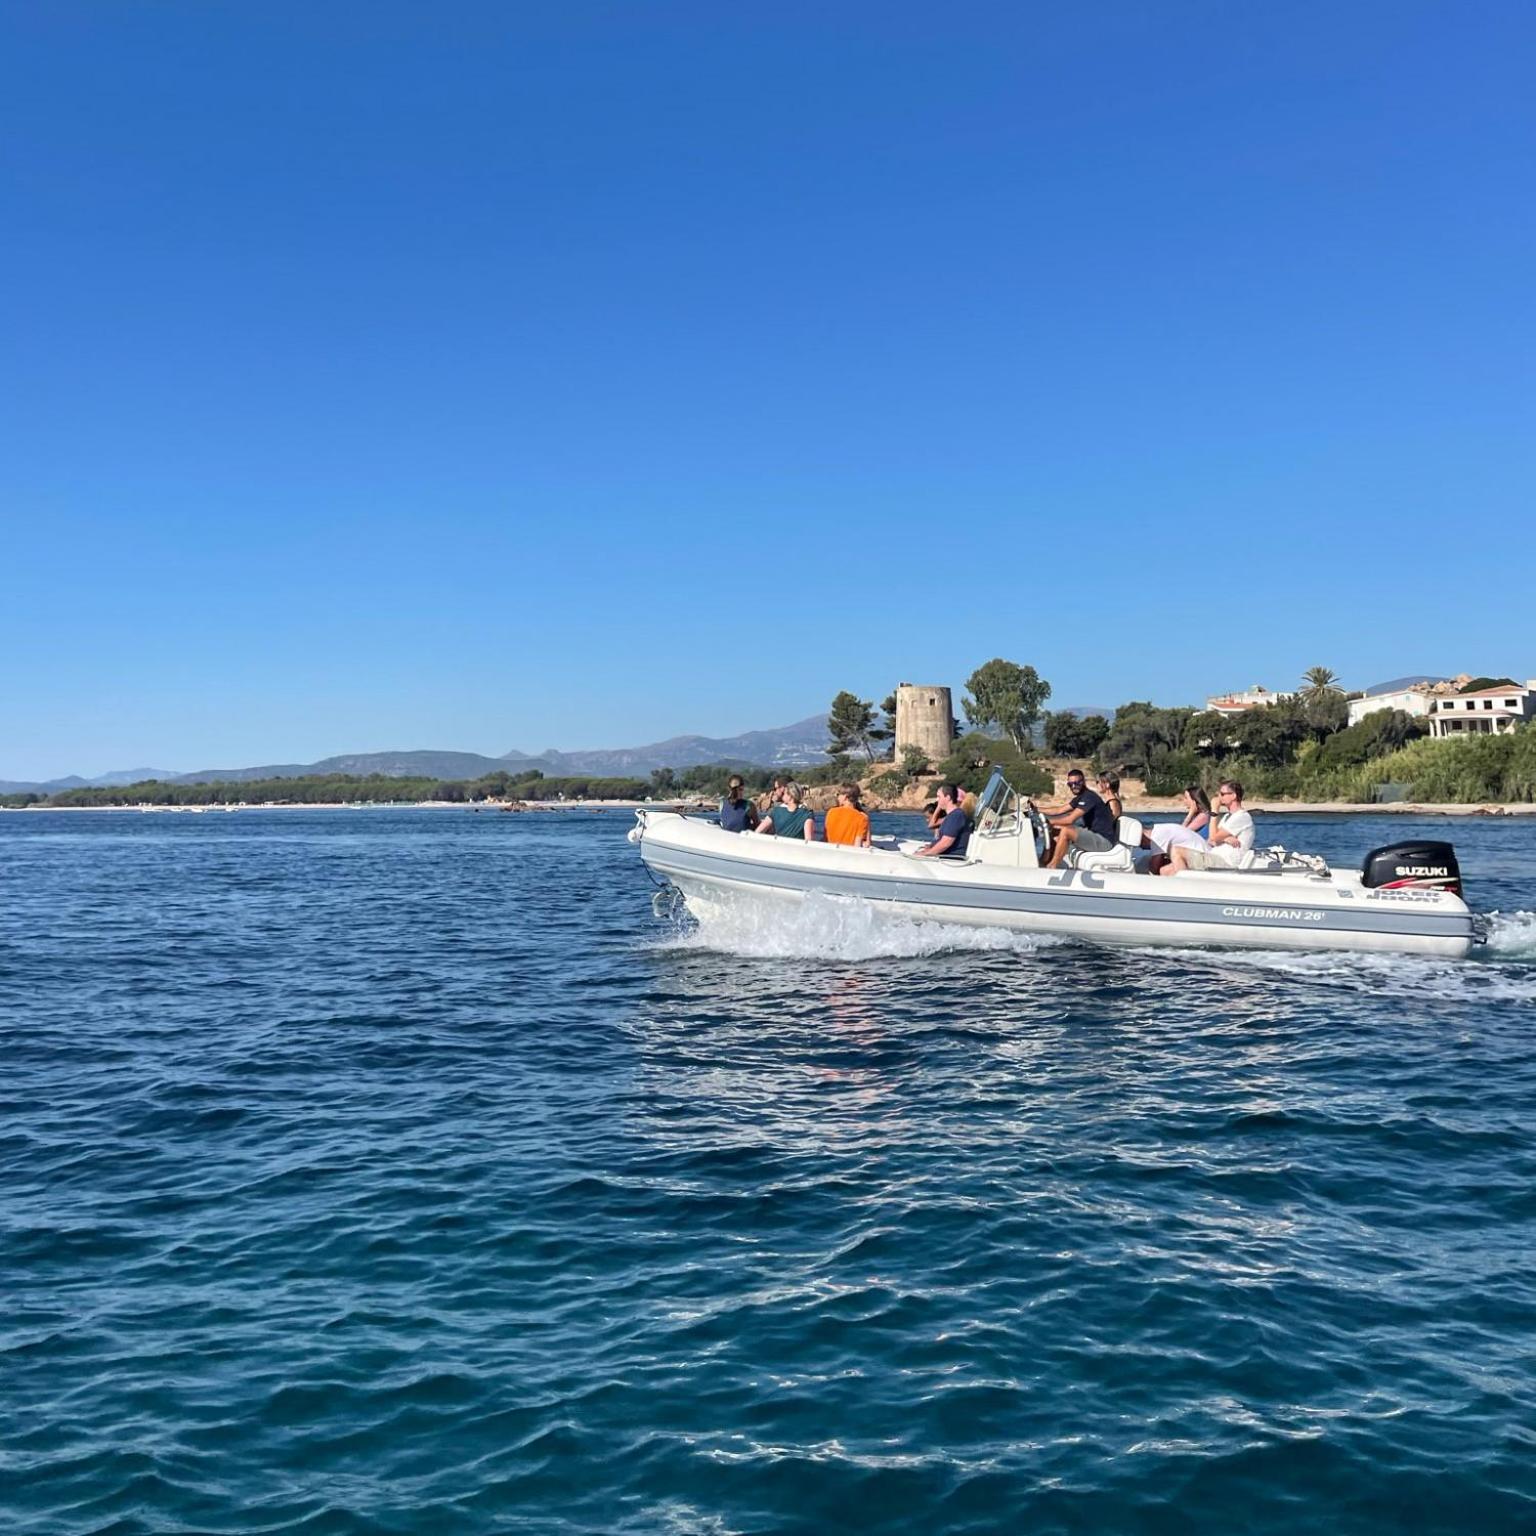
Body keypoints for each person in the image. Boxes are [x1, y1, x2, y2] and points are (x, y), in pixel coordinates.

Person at [1163, 780, 1254, 874]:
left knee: (1176, 850)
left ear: (1233, 796)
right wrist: (1224, 839)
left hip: (1226, 862)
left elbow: (1213, 837)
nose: (1219, 797)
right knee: (1165, 870)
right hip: (1214, 855)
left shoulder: (1242, 817)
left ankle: (1186, 885)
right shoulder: (1227, 817)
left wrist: (1214, 810)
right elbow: (1213, 840)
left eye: (1222, 794)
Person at [1042, 767, 1119, 869]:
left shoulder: (1089, 797)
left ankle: (1052, 866)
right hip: (1095, 835)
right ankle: (1044, 862)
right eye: (1070, 784)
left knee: (1066, 831)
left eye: (1077, 783)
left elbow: (1070, 820)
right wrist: (1036, 809)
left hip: (1104, 841)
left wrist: (1048, 822)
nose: (1073, 786)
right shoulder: (1081, 797)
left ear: (1083, 782)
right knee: (1055, 830)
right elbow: (1059, 810)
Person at [1145, 785, 1211, 857]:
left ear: (1194, 800)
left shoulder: (1203, 816)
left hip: (1202, 852)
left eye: (1186, 798)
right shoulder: (1198, 815)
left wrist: (1191, 812)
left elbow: (1181, 832)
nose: (1184, 801)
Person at [913, 782, 970, 858]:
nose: (937, 800)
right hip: (944, 857)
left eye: (939, 797)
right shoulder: (952, 816)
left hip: (950, 859)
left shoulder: (956, 816)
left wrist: (926, 854)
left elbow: (946, 843)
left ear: (948, 797)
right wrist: (931, 847)